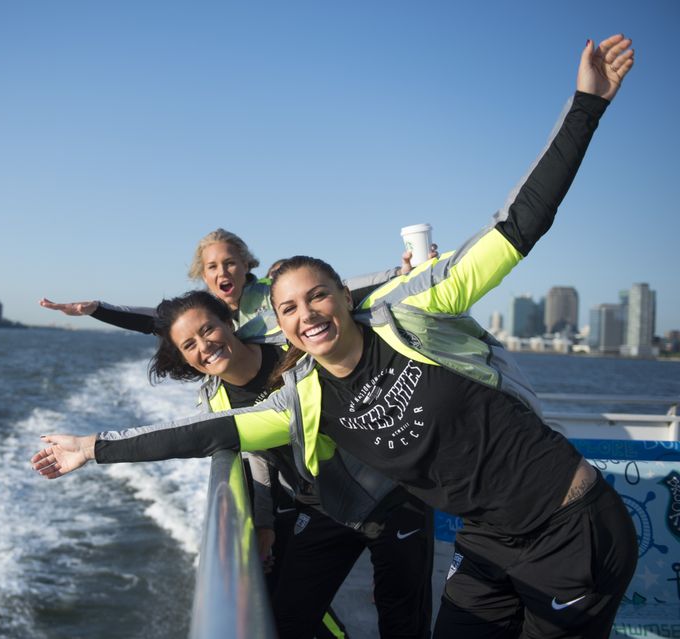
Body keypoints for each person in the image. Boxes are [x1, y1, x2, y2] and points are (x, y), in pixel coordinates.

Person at [33, 34, 638, 637]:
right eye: (289, 307)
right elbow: (207, 431)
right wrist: (94, 445)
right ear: (280, 323)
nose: (307, 314)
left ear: (344, 297)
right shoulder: (306, 396)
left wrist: (585, 105)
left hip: (570, 525)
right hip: (487, 543)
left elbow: (517, 226)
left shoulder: (410, 314)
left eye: (318, 295)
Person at [150, 290, 433, 638]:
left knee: (401, 617)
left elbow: (348, 305)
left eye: (208, 329)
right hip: (323, 503)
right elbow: (254, 458)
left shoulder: (292, 351)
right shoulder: (216, 400)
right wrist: (264, 524)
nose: (204, 345)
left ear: (228, 322)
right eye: (189, 344)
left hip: (389, 488)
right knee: (288, 618)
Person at [38, 227, 417, 343]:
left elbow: (337, 288)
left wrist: (398, 274)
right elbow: (155, 318)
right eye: (213, 266)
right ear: (203, 275)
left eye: (231, 263)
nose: (224, 272)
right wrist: (96, 309)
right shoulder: (204, 312)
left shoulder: (271, 291)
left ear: (245, 265)